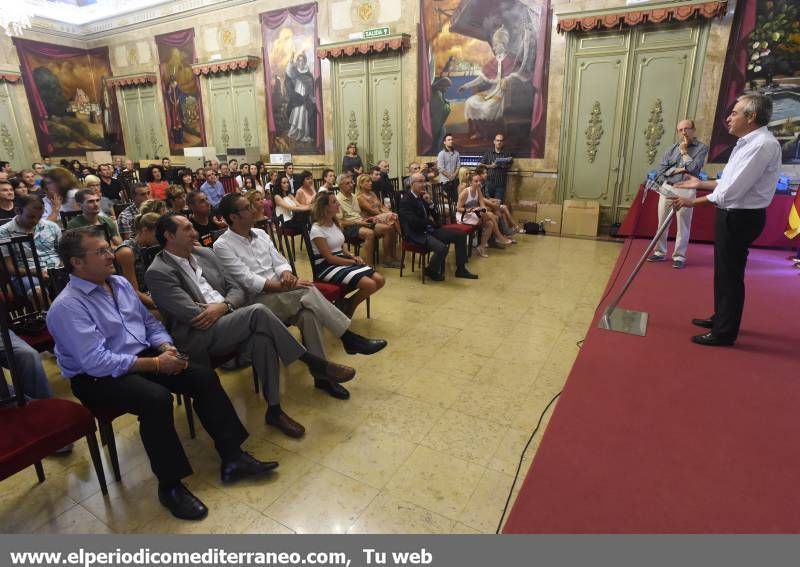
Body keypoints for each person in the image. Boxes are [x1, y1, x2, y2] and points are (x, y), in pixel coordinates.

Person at [47, 226, 279, 520]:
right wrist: (157, 364)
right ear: (77, 262)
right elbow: (97, 361)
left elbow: (149, 323)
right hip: (95, 378)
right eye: (101, 251)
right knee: (155, 399)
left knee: (203, 377)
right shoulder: (68, 306)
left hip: (140, 355)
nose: (111, 255)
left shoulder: (117, 284)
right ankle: (170, 486)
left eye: (108, 248)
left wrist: (166, 347)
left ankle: (233, 458)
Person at [146, 213, 357, 438]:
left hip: (227, 315)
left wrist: (224, 306)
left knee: (262, 339)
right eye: (187, 229)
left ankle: (274, 410)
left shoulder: (203, 253)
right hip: (199, 334)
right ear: (169, 236)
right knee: (258, 311)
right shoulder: (158, 272)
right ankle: (313, 362)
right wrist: (226, 307)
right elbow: (192, 314)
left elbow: (236, 288)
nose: (195, 233)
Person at [212, 193, 386, 400]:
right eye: (247, 207)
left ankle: (322, 378)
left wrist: (286, 273)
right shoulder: (222, 245)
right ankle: (348, 338)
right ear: (233, 217)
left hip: (281, 293)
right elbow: (248, 281)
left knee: (308, 314)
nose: (254, 209)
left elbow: (280, 261)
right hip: (256, 303)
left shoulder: (260, 233)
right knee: (307, 289)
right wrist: (285, 286)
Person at [672, 94, 781, 347]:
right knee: (723, 272)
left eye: (735, 113)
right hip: (731, 213)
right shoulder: (747, 142)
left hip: (740, 216)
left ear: (751, 117)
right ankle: (721, 317)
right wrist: (700, 183)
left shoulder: (762, 145)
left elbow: (732, 192)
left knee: (730, 275)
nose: (729, 118)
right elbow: (727, 182)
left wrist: (693, 201)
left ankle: (724, 332)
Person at [310, 192, 385, 317]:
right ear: (325, 208)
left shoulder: (334, 222)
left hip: (340, 260)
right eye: (334, 202)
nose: (338, 203)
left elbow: (341, 247)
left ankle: (348, 303)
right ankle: (350, 307)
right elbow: (329, 258)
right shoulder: (317, 229)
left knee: (380, 280)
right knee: (370, 284)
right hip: (326, 267)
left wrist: (351, 256)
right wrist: (352, 262)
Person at [647, 119, 710, 269]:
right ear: (678, 132)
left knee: (683, 225)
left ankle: (679, 256)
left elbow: (694, 169)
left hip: (687, 190)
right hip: (667, 188)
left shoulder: (702, 148)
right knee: (662, 222)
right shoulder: (671, 148)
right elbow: (662, 170)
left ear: (693, 130)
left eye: (687, 129)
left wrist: (683, 153)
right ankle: (659, 252)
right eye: (681, 130)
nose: (684, 132)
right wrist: (682, 169)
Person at [399, 173, 478, 281]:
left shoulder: (421, 197)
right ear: (412, 184)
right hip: (416, 233)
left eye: (424, 181)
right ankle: (431, 270)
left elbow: (436, 217)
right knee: (441, 248)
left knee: (460, 235)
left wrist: (430, 203)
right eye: (420, 181)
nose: (424, 184)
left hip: (428, 229)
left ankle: (461, 269)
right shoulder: (406, 200)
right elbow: (413, 222)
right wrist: (429, 223)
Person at [0, 195, 62, 299]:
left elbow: (63, 254)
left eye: (40, 217)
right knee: (37, 292)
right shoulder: (3, 232)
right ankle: (46, 315)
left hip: (55, 270)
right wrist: (38, 272)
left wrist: (60, 269)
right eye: (31, 217)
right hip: (26, 274)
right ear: (18, 211)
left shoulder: (51, 226)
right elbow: (8, 267)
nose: (36, 221)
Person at [458, 172, 514, 257]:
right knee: (492, 215)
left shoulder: (478, 190)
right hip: (464, 216)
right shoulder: (465, 192)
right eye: (476, 181)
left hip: (474, 214)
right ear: (470, 182)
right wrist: (471, 210)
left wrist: (483, 210)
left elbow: (482, 204)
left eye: (479, 181)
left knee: (490, 224)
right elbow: (458, 208)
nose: (478, 183)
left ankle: (482, 247)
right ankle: (499, 237)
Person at [115, 212, 160, 312]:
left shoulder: (152, 246)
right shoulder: (126, 251)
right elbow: (132, 291)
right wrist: (160, 305)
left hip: (152, 294)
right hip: (134, 302)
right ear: (145, 230)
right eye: (158, 233)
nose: (161, 237)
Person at [355, 174, 402, 268]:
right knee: (392, 221)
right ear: (361, 184)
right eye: (367, 182)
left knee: (392, 224)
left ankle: (392, 255)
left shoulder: (372, 193)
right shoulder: (360, 197)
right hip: (369, 220)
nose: (370, 183)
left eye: (370, 181)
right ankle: (388, 257)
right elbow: (372, 211)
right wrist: (386, 215)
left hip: (378, 217)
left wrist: (388, 212)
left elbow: (381, 206)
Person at [335, 174, 378, 266]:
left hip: (360, 221)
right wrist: (357, 222)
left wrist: (368, 218)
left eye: (352, 182)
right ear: (340, 186)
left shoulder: (354, 196)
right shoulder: (337, 200)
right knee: (369, 234)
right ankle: (368, 266)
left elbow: (359, 213)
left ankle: (389, 259)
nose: (351, 185)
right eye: (347, 183)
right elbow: (340, 222)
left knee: (386, 227)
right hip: (349, 226)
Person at [285, 53, 317, 144]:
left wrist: (311, 97)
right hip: (297, 97)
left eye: (302, 60)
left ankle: (304, 135)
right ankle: (295, 132)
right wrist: (290, 62)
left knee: (304, 115)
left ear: (305, 61)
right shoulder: (294, 71)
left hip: (305, 98)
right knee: (297, 114)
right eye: (299, 60)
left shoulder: (308, 74)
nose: (300, 62)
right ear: (297, 62)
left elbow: (311, 88)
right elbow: (288, 72)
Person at [480, 133, 513, 203]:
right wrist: (490, 166)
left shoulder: (506, 154)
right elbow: (480, 165)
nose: (499, 142)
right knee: (488, 203)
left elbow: (510, 165)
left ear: (503, 142)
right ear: (494, 141)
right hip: (489, 184)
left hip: (500, 185)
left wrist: (500, 165)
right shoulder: (488, 153)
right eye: (497, 140)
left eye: (501, 141)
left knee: (498, 205)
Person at [437, 134, 461, 203]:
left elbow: (458, 165)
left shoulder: (456, 153)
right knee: (454, 200)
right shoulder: (441, 154)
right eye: (449, 140)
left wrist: (453, 176)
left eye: (452, 139)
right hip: (445, 182)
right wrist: (450, 176)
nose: (451, 141)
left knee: (459, 198)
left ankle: (457, 210)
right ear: (444, 142)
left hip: (455, 180)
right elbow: (440, 168)